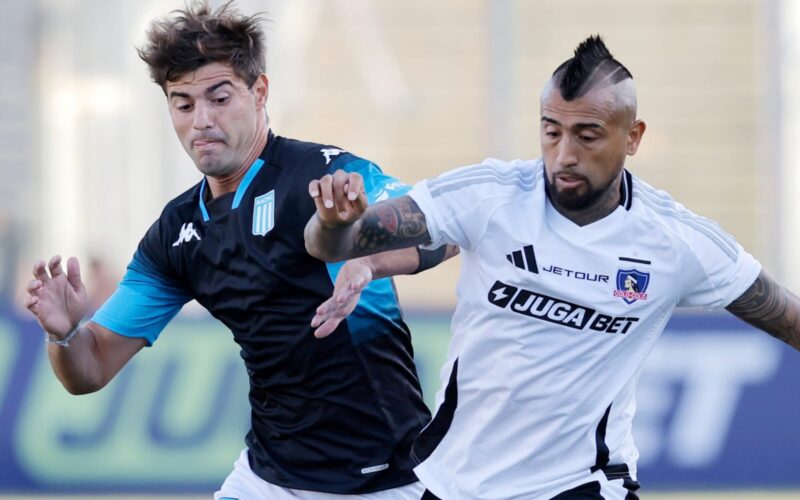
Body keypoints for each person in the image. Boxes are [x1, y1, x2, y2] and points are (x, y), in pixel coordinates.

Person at [304, 35, 800, 499]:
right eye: (551, 131)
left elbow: (785, 314)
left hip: (582, 483)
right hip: (456, 481)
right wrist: (333, 224)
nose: (564, 155)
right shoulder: (489, 196)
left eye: (588, 136)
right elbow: (336, 244)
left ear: (633, 137)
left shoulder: (676, 242)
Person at [24, 2, 457, 498]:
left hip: (388, 477)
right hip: (268, 479)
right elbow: (91, 367)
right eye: (183, 104)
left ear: (260, 92)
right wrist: (63, 335)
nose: (202, 121)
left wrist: (365, 255)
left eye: (219, 97)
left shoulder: (322, 175)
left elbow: (441, 232)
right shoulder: (176, 233)